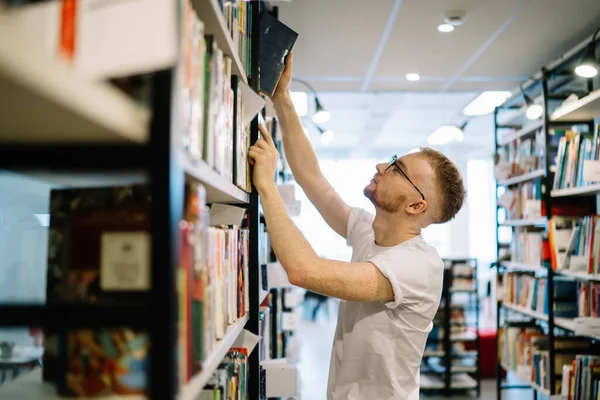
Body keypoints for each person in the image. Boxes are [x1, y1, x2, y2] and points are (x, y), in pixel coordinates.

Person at [248, 54, 466, 400]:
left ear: (415, 205)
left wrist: (268, 188)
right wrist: (283, 99)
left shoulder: (418, 266)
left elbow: (304, 271)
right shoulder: (369, 231)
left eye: (397, 169)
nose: (382, 165)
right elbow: (312, 179)